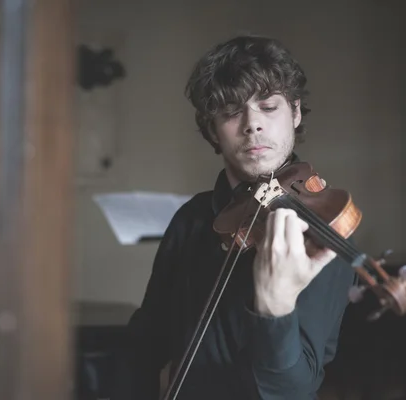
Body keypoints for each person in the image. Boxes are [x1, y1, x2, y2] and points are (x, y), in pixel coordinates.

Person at [110, 34, 356, 400]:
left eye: (268, 107)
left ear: (296, 113)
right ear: (212, 129)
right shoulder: (192, 219)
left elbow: (292, 390)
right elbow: (147, 340)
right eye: (230, 111)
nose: (252, 124)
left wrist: (276, 308)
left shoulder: (318, 231)